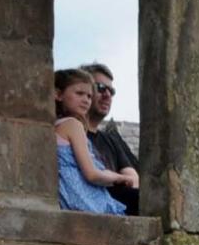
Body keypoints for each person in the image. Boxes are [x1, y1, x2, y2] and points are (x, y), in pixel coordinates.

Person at [53, 68, 137, 214]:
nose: (86, 100)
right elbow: (91, 173)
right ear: (58, 94)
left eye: (89, 96)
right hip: (82, 197)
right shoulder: (73, 125)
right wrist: (119, 177)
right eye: (79, 93)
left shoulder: (56, 126)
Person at [79, 64, 141, 216]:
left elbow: (134, 179)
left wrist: (109, 179)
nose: (107, 95)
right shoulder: (69, 134)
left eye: (111, 91)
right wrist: (118, 179)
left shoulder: (112, 140)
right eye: (100, 87)